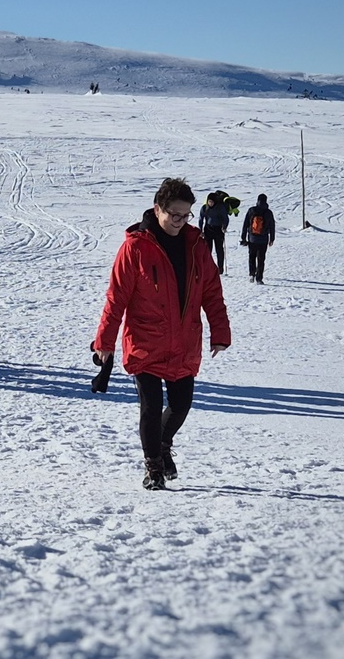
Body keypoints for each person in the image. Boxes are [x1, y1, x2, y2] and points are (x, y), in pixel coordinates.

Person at [93, 177, 231, 491]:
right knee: (150, 407)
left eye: (186, 215)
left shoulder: (196, 245)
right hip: (145, 342)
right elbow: (117, 297)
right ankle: (153, 466)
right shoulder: (136, 247)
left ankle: (163, 443)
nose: (181, 222)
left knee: (181, 404)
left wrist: (220, 332)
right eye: (175, 215)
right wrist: (105, 341)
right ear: (158, 209)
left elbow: (211, 291)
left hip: (183, 343)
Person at [240, 193, 276, 284]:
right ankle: (259, 278)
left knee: (252, 256)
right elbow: (272, 226)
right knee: (261, 258)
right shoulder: (268, 212)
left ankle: (252, 274)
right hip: (263, 239)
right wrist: (272, 238)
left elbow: (245, 224)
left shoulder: (252, 210)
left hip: (252, 238)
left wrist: (243, 237)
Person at [199, 191, 230, 275]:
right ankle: (207, 267)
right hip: (208, 229)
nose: (210, 203)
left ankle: (220, 268)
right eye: (209, 201)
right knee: (208, 250)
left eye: (212, 202)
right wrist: (200, 230)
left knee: (219, 249)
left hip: (218, 230)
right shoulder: (205, 208)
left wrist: (224, 227)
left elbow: (225, 218)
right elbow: (201, 219)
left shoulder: (220, 208)